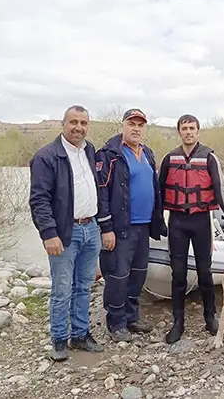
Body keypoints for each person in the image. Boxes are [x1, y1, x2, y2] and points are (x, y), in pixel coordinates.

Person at [29, 105, 104, 362]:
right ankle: (59, 339)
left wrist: (102, 226)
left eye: (83, 123)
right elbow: (39, 200)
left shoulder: (90, 151)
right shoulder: (47, 156)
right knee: (62, 289)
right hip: (64, 232)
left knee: (84, 286)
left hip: (91, 227)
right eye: (73, 122)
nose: (78, 127)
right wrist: (48, 233)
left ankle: (80, 335)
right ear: (63, 124)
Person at [158, 114, 224, 344]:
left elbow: (220, 189)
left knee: (205, 271)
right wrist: (157, 219)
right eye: (184, 128)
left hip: (201, 220)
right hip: (177, 222)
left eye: (192, 128)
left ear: (198, 131)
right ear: (179, 132)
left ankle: (210, 317)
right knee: (178, 273)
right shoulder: (169, 158)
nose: (188, 132)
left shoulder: (209, 158)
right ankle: (178, 322)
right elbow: (159, 191)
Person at [95, 108, 167, 342]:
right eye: (131, 123)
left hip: (144, 226)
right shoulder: (109, 154)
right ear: (123, 126)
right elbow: (101, 192)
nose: (136, 128)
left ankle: (131, 317)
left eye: (140, 124)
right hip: (120, 227)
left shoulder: (148, 153)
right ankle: (116, 323)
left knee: (138, 275)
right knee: (118, 276)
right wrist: (106, 228)